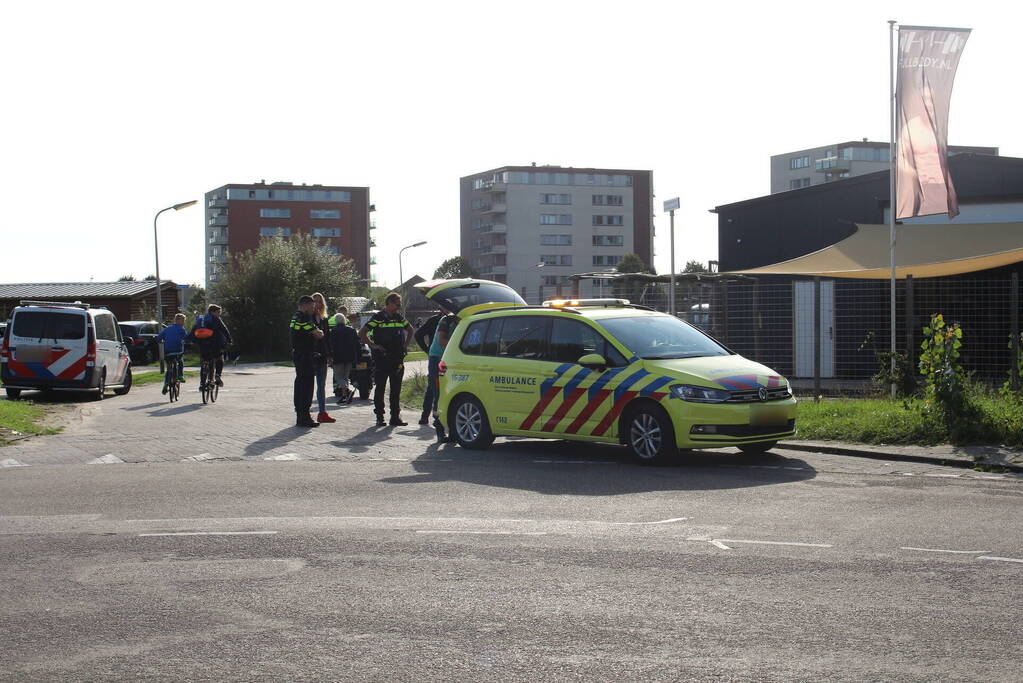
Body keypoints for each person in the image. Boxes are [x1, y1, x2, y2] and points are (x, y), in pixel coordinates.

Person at [359, 292, 413, 427]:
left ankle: (395, 417)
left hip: (397, 358)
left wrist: (405, 345)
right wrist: (373, 345)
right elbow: (362, 333)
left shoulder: (399, 317)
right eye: (397, 304)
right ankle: (379, 417)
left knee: (396, 389)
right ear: (388, 303)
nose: (399, 307)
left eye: (399, 304)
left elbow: (410, 329)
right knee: (381, 388)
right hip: (382, 358)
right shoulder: (378, 317)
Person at [290, 296, 323, 428]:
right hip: (304, 355)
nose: (313, 308)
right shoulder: (303, 318)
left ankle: (300, 415)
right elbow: (318, 334)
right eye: (311, 306)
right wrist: (319, 331)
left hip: (300, 354)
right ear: (304, 305)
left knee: (300, 385)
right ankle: (305, 416)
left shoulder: (295, 317)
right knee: (307, 386)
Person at [426, 306, 457, 442]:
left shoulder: (466, 321)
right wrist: (461, 342)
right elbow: (441, 340)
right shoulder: (446, 320)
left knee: (452, 394)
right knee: (439, 394)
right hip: (438, 358)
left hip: (453, 359)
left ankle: (452, 431)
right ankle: (439, 429)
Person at [413, 309, 444, 425]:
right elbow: (418, 335)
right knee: (433, 386)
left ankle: (432, 416)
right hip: (436, 357)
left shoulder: (454, 319)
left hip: (446, 357)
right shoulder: (434, 320)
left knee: (435, 386)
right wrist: (428, 350)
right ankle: (426, 416)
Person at [191, 304, 232, 387]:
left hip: (202, 344)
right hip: (214, 344)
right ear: (212, 312)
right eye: (218, 312)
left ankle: (202, 384)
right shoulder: (216, 319)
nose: (219, 314)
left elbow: (194, 330)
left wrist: (191, 340)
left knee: (204, 361)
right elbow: (224, 329)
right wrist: (229, 339)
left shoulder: (201, 319)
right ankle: (217, 376)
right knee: (219, 358)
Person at [310, 292, 335, 424]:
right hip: (311, 356)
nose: (317, 304)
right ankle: (305, 412)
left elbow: (327, 339)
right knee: (309, 385)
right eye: (315, 301)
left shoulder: (324, 319)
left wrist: (330, 355)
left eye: (320, 301)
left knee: (321, 385)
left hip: (323, 356)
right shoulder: (307, 318)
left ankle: (322, 412)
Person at [329, 312, 360, 403]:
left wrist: (330, 357)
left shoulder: (333, 331)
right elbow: (357, 344)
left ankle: (347, 390)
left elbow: (331, 345)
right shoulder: (351, 330)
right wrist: (357, 357)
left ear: (336, 321)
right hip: (350, 357)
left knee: (338, 376)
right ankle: (344, 396)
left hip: (338, 357)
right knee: (345, 377)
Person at [156, 313, 189, 395]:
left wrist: (161, 342)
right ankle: (180, 375)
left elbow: (159, 338)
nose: (183, 322)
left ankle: (166, 384)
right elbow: (187, 338)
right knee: (180, 361)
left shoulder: (167, 329)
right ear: (178, 320)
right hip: (178, 351)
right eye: (183, 321)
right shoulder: (182, 329)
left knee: (169, 368)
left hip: (168, 351)